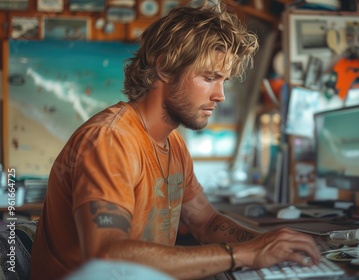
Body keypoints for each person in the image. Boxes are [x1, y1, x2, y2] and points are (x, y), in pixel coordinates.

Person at [30, 1, 321, 279]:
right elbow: (107, 257)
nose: (220, 95)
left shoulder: (174, 144)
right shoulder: (110, 140)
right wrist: (243, 254)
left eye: (224, 81)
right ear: (165, 67)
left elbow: (206, 222)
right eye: (209, 77)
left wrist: (270, 245)